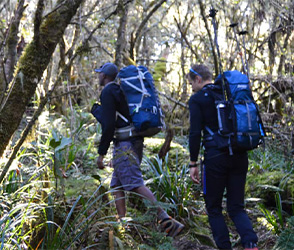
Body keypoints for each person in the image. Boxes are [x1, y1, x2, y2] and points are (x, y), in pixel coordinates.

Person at [94, 62, 184, 237]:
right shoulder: (120, 91)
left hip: (125, 144)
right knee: (116, 184)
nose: (98, 76)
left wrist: (101, 153)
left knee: (134, 183)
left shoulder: (108, 92)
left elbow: (109, 125)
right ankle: (123, 223)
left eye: (99, 74)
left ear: (104, 76)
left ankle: (167, 220)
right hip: (133, 141)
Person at [187, 64, 259, 250]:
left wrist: (192, 163)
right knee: (236, 206)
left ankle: (225, 247)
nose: (191, 87)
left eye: (191, 83)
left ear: (198, 79)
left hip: (215, 158)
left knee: (214, 208)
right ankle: (250, 243)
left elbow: (195, 133)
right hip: (240, 155)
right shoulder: (230, 93)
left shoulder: (197, 100)